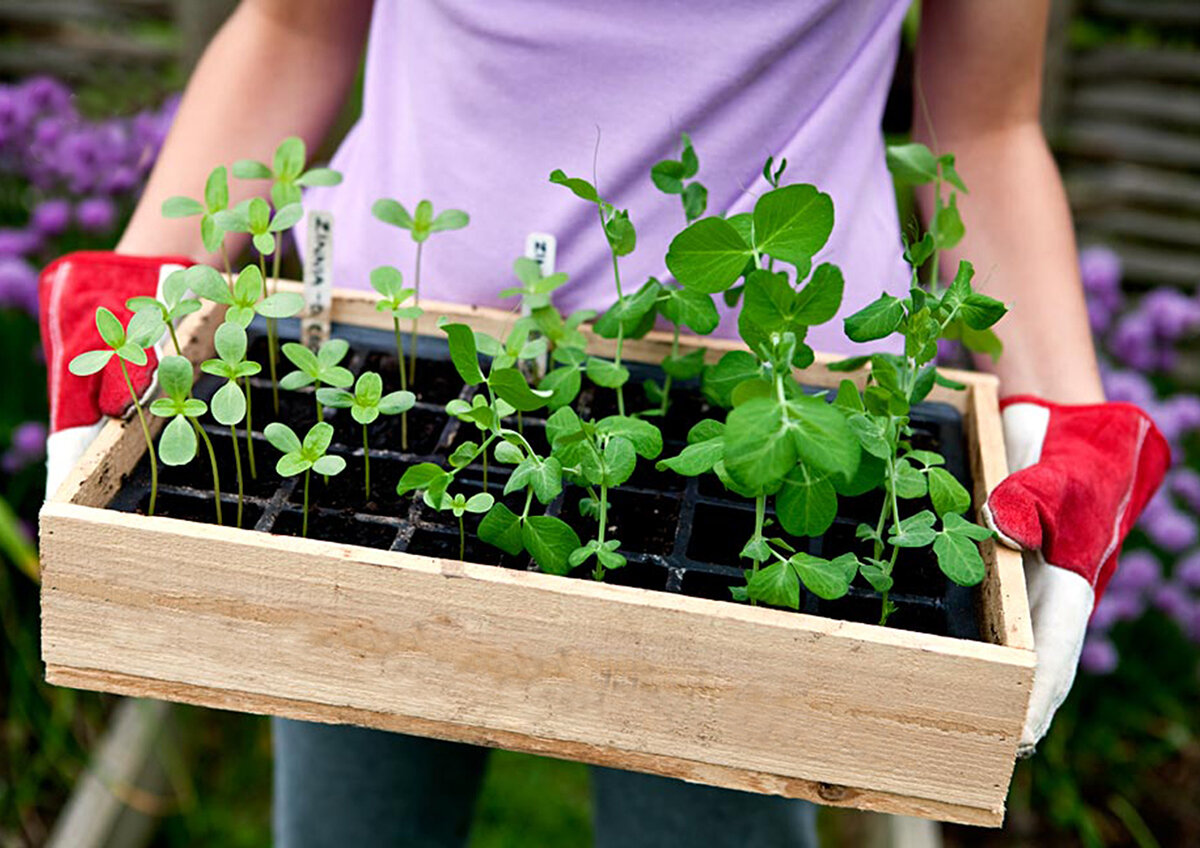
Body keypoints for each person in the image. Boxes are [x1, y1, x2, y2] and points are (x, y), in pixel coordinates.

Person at [39, 1, 1168, 846]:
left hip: (775, 437)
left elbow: (984, 121)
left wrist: (1068, 419)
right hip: (377, 391)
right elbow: (292, 23)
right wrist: (143, 286)